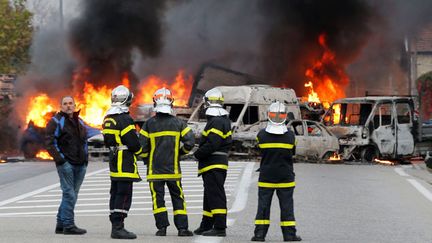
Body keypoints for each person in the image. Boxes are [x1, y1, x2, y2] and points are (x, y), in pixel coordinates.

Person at [139, 87, 195, 237]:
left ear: (154, 103)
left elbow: (141, 148)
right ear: (171, 102)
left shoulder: (149, 124)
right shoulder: (179, 123)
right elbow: (190, 141)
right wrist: (179, 154)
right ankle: (182, 229)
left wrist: (147, 158)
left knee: (158, 200)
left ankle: (162, 228)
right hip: (173, 171)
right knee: (178, 199)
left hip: (154, 171)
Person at [251, 101, 301, 242]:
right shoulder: (291, 136)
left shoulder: (261, 135)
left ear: (269, 116)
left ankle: (259, 235)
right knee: (287, 208)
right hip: (285, 178)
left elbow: (259, 149)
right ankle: (289, 235)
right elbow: (293, 153)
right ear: (285, 116)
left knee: (263, 207)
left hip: (266, 177)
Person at [102, 85, 143, 239]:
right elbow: (133, 143)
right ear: (127, 100)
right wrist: (141, 152)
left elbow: (108, 141)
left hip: (114, 161)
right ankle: (118, 227)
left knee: (115, 193)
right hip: (125, 162)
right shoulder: (125, 119)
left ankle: (115, 225)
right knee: (124, 194)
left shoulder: (108, 118)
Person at [45, 96, 89, 235]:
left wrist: (86, 158)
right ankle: (69, 225)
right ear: (60, 106)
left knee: (71, 195)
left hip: (80, 164)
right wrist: (61, 161)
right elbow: (50, 143)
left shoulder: (79, 121)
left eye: (71, 103)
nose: (68, 106)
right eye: (65, 103)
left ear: (75, 105)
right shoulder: (56, 121)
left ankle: (60, 224)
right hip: (66, 164)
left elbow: (84, 141)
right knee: (69, 194)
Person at [193, 87, 232, 237]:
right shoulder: (220, 120)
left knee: (215, 195)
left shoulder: (216, 121)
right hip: (212, 164)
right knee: (209, 195)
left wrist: (197, 154)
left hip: (214, 163)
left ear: (207, 103)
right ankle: (207, 224)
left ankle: (220, 227)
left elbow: (212, 144)